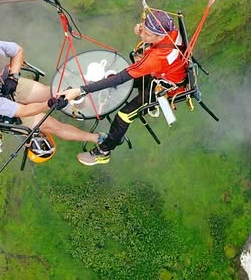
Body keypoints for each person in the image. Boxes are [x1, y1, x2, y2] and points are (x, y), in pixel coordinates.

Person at [61, 10, 187, 166]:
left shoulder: (155, 58)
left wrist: (81, 90)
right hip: (166, 72)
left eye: (147, 34)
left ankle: (104, 152)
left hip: (162, 88)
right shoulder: (169, 27)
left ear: (160, 37)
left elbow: (122, 77)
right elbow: (148, 28)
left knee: (123, 116)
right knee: (114, 80)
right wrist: (141, 28)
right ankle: (96, 94)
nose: (142, 36)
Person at [0, 40, 101, 144]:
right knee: (52, 125)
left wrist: (13, 76)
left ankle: (87, 106)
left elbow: (18, 51)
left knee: (54, 92)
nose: (0, 69)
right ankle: (96, 138)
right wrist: (48, 104)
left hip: (9, 84)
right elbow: (23, 111)